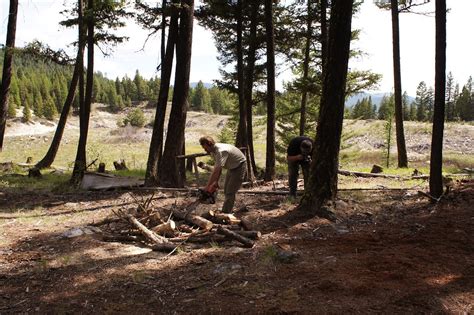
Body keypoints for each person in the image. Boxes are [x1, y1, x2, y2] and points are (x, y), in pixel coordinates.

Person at [199, 136, 247, 213]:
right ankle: (228, 208)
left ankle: (226, 213)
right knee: (226, 190)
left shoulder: (221, 151)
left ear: (210, 144)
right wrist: (215, 182)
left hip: (239, 166)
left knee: (230, 191)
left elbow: (217, 171)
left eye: (206, 148)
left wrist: (207, 187)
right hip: (231, 167)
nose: (205, 150)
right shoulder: (213, 151)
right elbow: (217, 168)